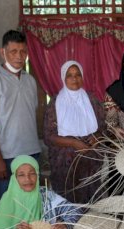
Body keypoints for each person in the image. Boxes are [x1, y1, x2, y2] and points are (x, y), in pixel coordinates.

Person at [0, 30, 41, 229]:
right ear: (2, 52)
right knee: (4, 209)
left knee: (29, 208)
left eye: (23, 52)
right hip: (5, 157)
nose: (18, 56)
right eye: (13, 51)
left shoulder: (30, 81)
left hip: (31, 153)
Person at [43, 61, 105, 203]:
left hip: (91, 163)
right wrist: (73, 142)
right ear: (63, 78)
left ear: (82, 77)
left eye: (78, 75)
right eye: (69, 75)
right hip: (65, 165)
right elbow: (48, 136)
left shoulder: (92, 100)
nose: (74, 79)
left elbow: (103, 127)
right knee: (69, 201)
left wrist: (96, 137)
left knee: (92, 200)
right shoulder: (55, 103)